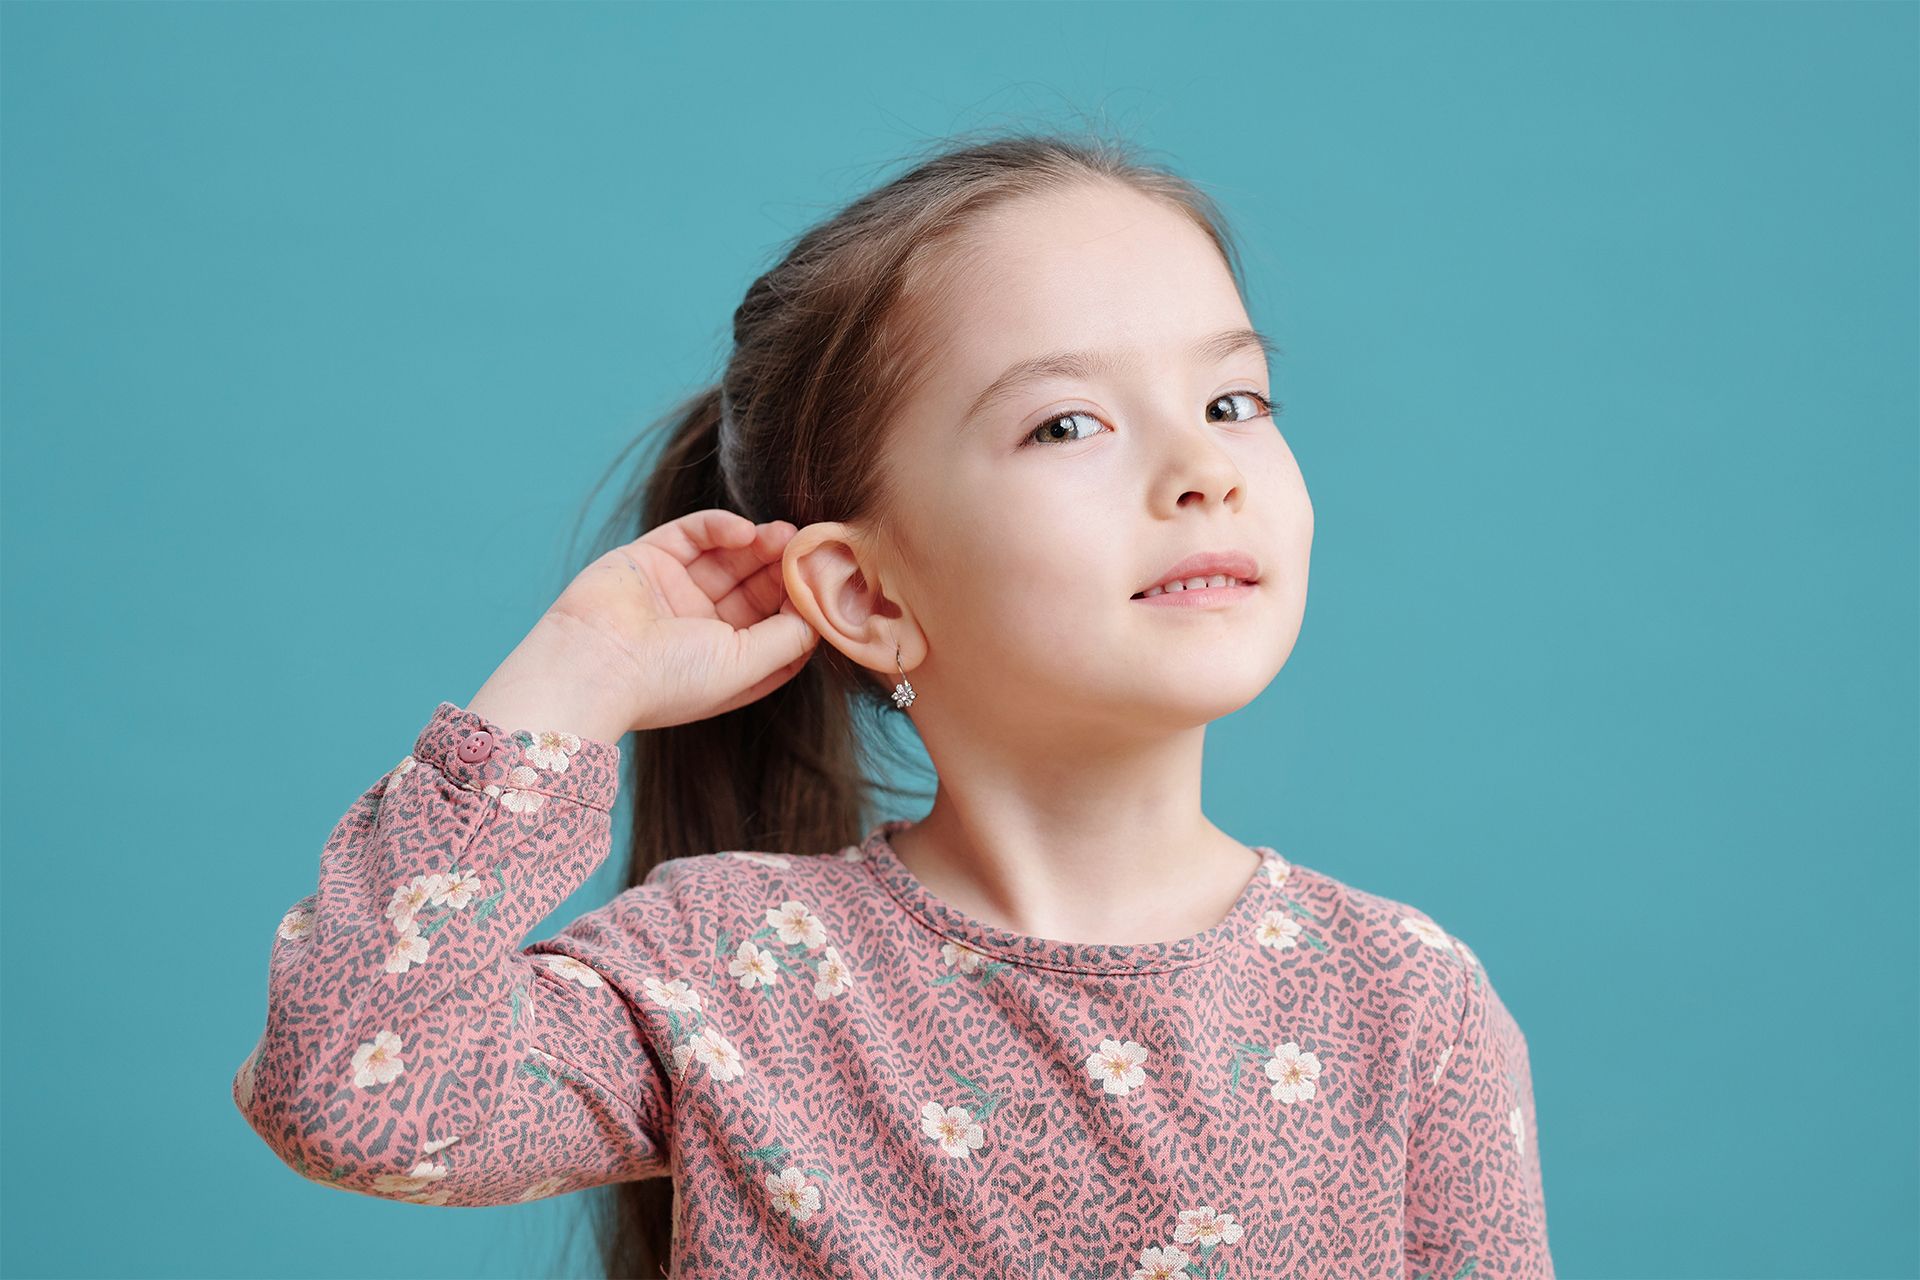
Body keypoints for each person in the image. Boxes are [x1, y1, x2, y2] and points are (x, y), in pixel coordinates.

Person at [231, 130, 1554, 1280]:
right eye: (1066, 426)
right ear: (864, 597)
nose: (1204, 467)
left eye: (1233, 398)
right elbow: (353, 1089)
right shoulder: (730, 979)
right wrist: (575, 679)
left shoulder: (1403, 1003)